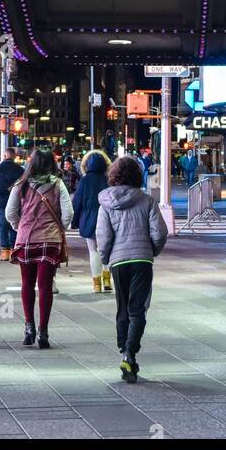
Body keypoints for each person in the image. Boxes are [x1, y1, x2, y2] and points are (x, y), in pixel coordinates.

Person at [96, 154, 168, 383]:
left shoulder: (106, 203)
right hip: (142, 261)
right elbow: (159, 232)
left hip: (119, 262)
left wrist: (106, 258)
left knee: (122, 308)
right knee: (138, 309)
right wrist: (151, 251)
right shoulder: (147, 200)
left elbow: (103, 236)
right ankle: (130, 352)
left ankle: (123, 350)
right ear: (137, 175)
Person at [5, 147, 73, 349]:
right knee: (45, 286)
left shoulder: (21, 185)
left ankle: (28, 328)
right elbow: (68, 213)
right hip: (50, 240)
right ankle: (43, 332)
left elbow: (10, 213)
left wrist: (21, 227)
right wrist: (59, 227)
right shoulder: (58, 184)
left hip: (26, 239)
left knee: (27, 284)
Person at [71, 149, 112, 292]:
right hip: (107, 219)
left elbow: (77, 203)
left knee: (93, 251)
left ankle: (96, 284)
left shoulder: (85, 180)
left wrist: (75, 222)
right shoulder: (109, 179)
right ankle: (107, 280)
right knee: (106, 250)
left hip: (89, 219)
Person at [0, 148, 23, 260]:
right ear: (14, 156)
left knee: (2, 226)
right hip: (16, 203)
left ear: (4, 156)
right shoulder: (20, 170)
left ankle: (5, 252)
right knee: (14, 226)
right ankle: (14, 251)